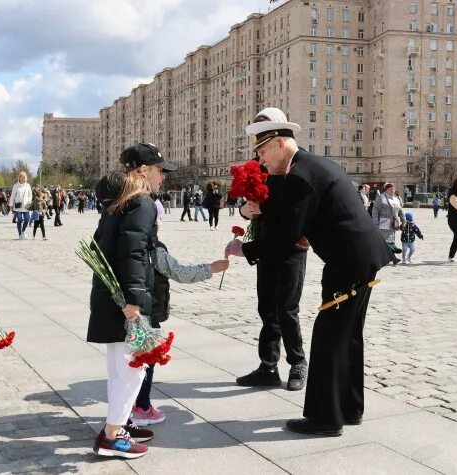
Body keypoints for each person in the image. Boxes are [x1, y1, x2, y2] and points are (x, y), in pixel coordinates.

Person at [226, 107, 392, 437]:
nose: (260, 160)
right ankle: (349, 407)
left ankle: (325, 418)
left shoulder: (299, 176)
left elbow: (284, 240)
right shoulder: (311, 166)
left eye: (261, 151)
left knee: (329, 337)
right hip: (361, 256)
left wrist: (243, 249)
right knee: (349, 336)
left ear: (278, 143)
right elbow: (308, 217)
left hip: (348, 262)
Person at [88, 143, 176, 459]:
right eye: (159, 170)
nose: (162, 177)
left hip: (112, 296)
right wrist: (135, 300)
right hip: (126, 301)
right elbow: (134, 252)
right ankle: (112, 436)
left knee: (118, 367)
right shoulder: (141, 203)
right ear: (143, 171)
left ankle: (119, 423)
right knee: (132, 368)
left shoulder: (118, 202)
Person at [131, 208, 229, 426]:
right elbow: (180, 272)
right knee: (146, 360)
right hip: (149, 310)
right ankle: (142, 407)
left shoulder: (126, 243)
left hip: (129, 311)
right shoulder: (154, 249)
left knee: (131, 359)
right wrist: (210, 268)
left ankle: (130, 403)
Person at [235, 112, 309, 392]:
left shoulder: (296, 166)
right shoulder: (259, 166)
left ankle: (298, 363)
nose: (261, 153)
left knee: (286, 308)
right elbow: (247, 205)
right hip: (265, 244)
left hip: (291, 246)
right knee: (266, 307)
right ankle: (268, 366)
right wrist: (245, 210)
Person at [372, 183, 404, 265]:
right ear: (386, 189)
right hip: (383, 222)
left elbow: (400, 210)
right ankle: (393, 257)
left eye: (394, 189)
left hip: (393, 223)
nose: (393, 190)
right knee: (385, 241)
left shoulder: (396, 199)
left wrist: (403, 220)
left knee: (389, 240)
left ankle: (389, 257)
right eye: (391, 189)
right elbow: (375, 210)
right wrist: (375, 222)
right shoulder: (381, 197)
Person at [9, 172, 32, 240]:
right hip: (18, 206)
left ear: (26, 178)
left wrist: (29, 202)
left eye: (24, 176)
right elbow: (12, 196)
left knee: (27, 219)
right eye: (21, 176)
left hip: (26, 206)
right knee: (19, 220)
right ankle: (20, 235)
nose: (23, 177)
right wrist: (11, 205)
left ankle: (23, 231)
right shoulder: (15, 185)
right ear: (19, 177)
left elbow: (30, 195)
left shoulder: (28, 185)